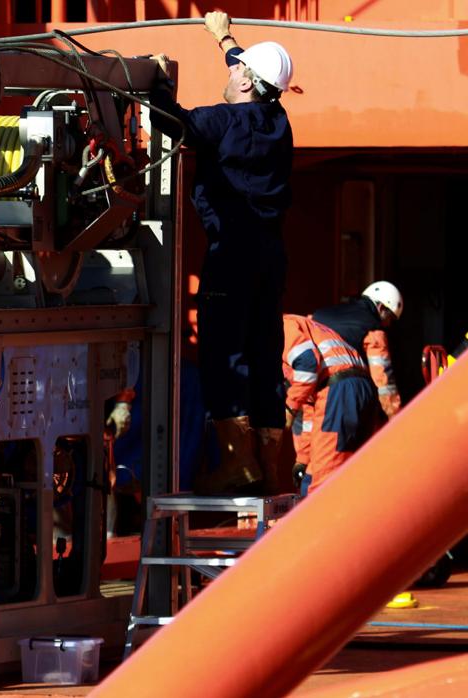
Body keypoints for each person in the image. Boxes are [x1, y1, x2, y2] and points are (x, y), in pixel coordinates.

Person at [148, 11, 295, 493]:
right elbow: (244, 66)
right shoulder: (278, 119)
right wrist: (225, 38)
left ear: (249, 82)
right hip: (269, 254)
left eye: (236, 71)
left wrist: (152, 82)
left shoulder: (226, 120)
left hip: (231, 248)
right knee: (263, 349)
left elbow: (175, 123)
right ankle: (272, 465)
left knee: (222, 351)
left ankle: (238, 462)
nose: (229, 74)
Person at [282, 314, 379, 495]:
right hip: (360, 390)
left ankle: (316, 522)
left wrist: (289, 408)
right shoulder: (308, 326)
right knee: (345, 474)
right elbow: (311, 410)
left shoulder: (283, 326)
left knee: (322, 484)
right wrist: (303, 459)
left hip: (338, 392)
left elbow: (307, 365)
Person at [312, 281, 404, 419]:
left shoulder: (320, 315)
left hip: (304, 389)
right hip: (336, 398)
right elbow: (383, 382)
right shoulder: (373, 330)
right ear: (380, 307)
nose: (388, 324)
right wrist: (395, 418)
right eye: (389, 317)